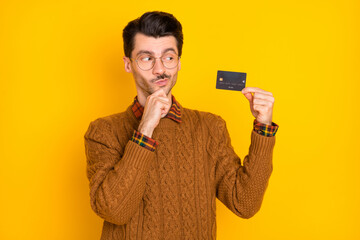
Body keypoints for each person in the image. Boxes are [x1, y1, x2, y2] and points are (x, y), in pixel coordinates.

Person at [84, 11, 279, 240]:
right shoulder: (103, 132)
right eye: (147, 58)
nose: (159, 69)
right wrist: (145, 129)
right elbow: (114, 211)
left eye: (168, 57)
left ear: (178, 63)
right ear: (128, 64)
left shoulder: (210, 127)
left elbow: (245, 203)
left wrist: (263, 127)